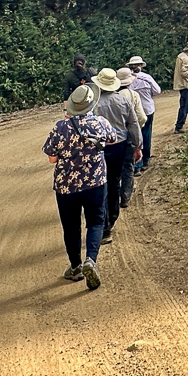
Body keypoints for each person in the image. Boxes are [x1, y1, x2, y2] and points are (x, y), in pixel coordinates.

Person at [43, 83, 123, 291]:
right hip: (95, 182)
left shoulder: (60, 127)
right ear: (91, 104)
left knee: (70, 226)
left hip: (66, 186)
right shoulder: (101, 123)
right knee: (96, 221)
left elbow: (52, 158)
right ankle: (91, 260)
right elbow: (113, 139)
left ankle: (75, 267)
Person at [93, 67, 141, 244]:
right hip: (119, 145)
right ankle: (111, 218)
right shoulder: (123, 100)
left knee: (100, 183)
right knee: (114, 181)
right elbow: (133, 124)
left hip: (99, 147)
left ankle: (102, 224)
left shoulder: (94, 104)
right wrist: (137, 146)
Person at [115, 67, 147, 206]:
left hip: (113, 139)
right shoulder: (133, 95)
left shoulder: (112, 97)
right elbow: (141, 117)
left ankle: (114, 197)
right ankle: (126, 196)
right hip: (128, 137)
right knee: (128, 167)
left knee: (115, 169)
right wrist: (137, 134)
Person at [126, 55, 161, 171]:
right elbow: (157, 91)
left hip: (133, 111)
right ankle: (145, 159)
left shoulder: (127, 79)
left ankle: (136, 164)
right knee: (146, 134)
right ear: (140, 66)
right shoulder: (147, 78)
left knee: (134, 136)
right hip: (147, 109)